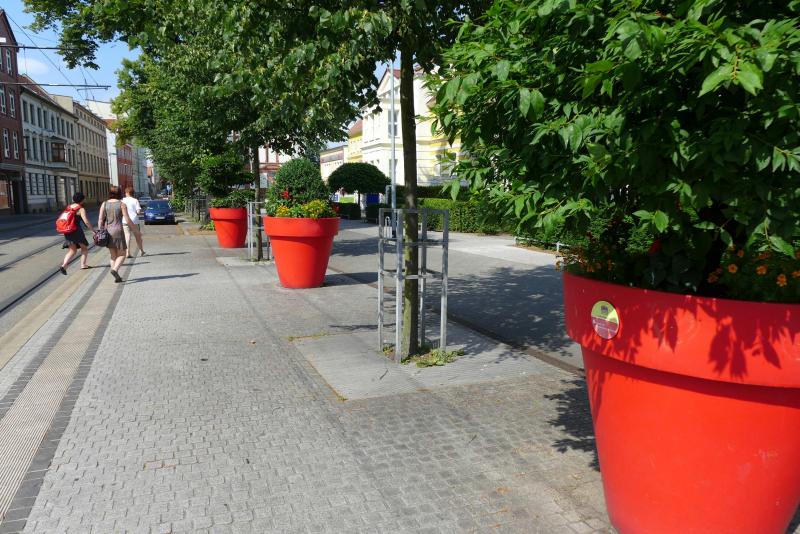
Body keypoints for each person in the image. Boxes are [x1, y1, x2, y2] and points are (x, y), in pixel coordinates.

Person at [98, 186, 134, 283]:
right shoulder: (122, 204)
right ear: (119, 193)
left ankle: (116, 276)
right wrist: (134, 229)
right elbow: (127, 219)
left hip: (108, 231)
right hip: (118, 231)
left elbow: (100, 219)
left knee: (113, 255)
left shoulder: (104, 204)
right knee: (122, 254)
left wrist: (100, 230)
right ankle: (115, 270)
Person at [59, 192, 95, 275]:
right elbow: (86, 221)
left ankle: (64, 265)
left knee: (72, 250)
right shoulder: (81, 209)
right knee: (84, 248)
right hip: (76, 231)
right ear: (82, 200)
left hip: (68, 230)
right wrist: (93, 230)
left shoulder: (69, 207)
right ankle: (83, 265)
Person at [121, 186, 146, 258]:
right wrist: (136, 212)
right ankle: (141, 251)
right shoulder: (135, 200)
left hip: (125, 220)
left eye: (125, 192)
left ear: (127, 193)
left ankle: (127, 252)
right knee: (138, 236)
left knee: (127, 236)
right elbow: (138, 211)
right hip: (134, 221)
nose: (125, 194)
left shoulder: (122, 200)